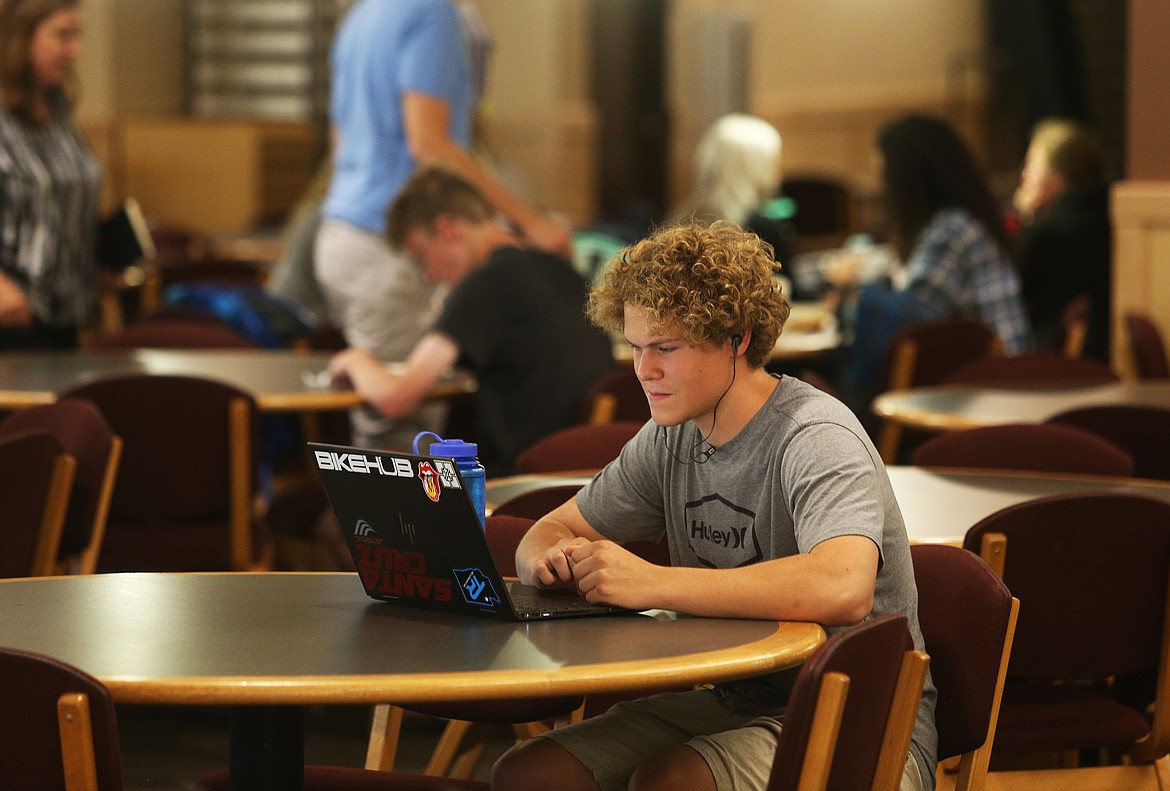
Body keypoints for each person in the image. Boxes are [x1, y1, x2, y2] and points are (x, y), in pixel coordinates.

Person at [490, 222, 937, 791]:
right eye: (635, 347)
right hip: (737, 698)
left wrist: (653, 583)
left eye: (666, 349)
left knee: (672, 783)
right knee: (530, 774)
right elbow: (553, 527)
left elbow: (842, 588)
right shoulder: (671, 434)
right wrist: (542, 559)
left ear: (737, 339)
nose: (643, 371)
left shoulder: (816, 435)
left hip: (865, 724)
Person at [316, 0, 570, 449]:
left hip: (343, 229)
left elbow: (340, 142)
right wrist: (529, 220)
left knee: (393, 425)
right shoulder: (432, 11)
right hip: (391, 240)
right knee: (401, 434)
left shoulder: (362, 15)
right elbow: (430, 144)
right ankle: (375, 524)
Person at [327, 166, 615, 474]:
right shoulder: (559, 269)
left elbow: (397, 398)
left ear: (448, 229)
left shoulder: (485, 284)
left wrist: (354, 359)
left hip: (511, 480)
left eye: (422, 256)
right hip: (581, 474)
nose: (429, 275)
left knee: (359, 476)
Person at [840, 114, 1032, 414]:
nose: (881, 189)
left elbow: (911, 325)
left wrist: (850, 300)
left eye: (885, 176)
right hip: (985, 379)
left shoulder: (951, 231)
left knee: (872, 306)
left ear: (907, 179)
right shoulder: (961, 221)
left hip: (990, 389)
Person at [0, 0, 100, 349]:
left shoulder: (57, 109)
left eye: (77, 36)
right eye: (62, 36)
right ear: (21, 38)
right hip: (11, 320)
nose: (74, 50)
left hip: (62, 317)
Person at [1012, 118, 1112, 361]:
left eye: (1031, 165)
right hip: (1099, 360)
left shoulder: (1048, 235)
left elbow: (1012, 300)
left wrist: (1026, 222)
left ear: (1058, 177)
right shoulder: (1110, 222)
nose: (1023, 175)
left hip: (1044, 363)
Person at [675, 113, 796, 268]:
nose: (778, 174)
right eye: (771, 164)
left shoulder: (681, 216)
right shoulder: (763, 231)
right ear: (751, 169)